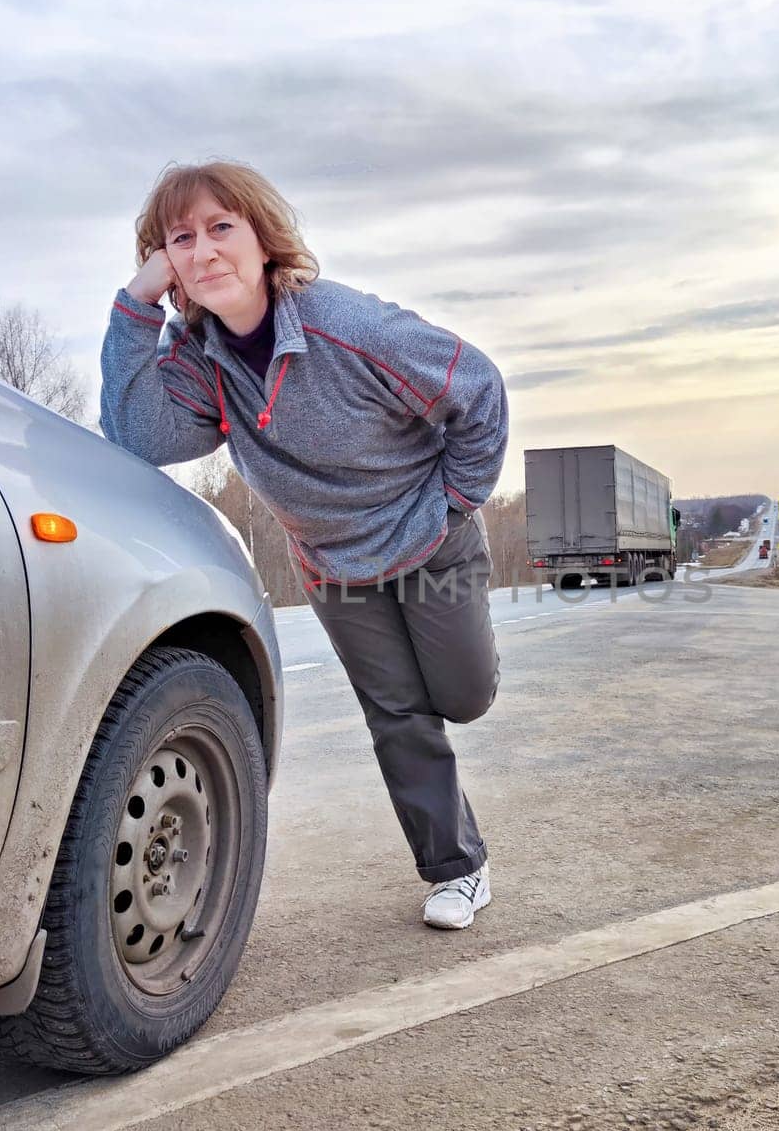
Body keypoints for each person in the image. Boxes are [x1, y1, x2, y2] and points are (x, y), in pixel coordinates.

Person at [99, 161, 508, 930]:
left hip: (431, 543)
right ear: (166, 259)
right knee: (397, 715)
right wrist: (133, 304)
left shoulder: (344, 325)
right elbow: (137, 436)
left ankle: (467, 661)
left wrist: (455, 502)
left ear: (263, 238)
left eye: (222, 227)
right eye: (181, 238)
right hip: (333, 565)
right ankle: (457, 867)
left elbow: (478, 388)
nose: (204, 250)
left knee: (463, 697)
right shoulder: (199, 359)